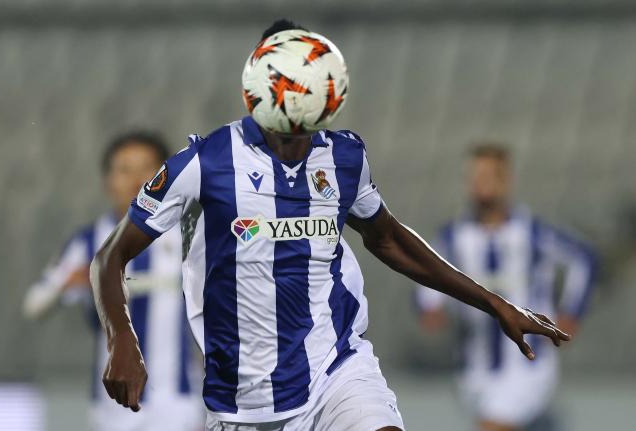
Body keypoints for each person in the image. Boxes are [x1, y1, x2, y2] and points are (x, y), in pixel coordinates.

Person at [90, 20, 571, 431]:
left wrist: (494, 304)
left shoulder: (343, 156)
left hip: (336, 368)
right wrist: (121, 337)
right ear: (261, 87)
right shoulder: (204, 162)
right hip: (242, 399)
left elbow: (389, 239)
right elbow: (109, 259)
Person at [23, 131, 206, 431]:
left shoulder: (192, 236)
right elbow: (34, 305)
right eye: (124, 170)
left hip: (178, 403)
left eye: (147, 167)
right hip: (114, 405)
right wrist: (66, 284)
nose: (136, 179)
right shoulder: (87, 243)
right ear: (108, 181)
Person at [415, 143, 596, 431]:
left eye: (488, 176)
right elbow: (427, 271)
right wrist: (429, 306)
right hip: (473, 367)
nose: (480, 184)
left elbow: (584, 259)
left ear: (505, 180)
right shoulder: (454, 236)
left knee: (494, 424)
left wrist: (572, 311)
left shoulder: (532, 232)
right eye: (475, 176)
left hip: (527, 365)